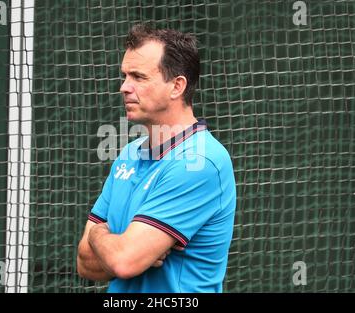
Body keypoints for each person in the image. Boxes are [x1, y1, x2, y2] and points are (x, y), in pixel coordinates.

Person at [77, 23, 236, 292]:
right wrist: (120, 246)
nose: (124, 87)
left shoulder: (200, 161)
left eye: (138, 77)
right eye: (124, 76)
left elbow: (124, 262)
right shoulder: (128, 154)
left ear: (177, 86)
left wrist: (99, 234)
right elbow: (85, 263)